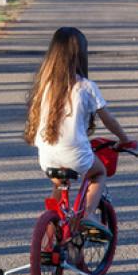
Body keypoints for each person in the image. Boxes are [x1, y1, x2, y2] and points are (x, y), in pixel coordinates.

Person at [24, 26, 130, 233]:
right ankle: (88, 214)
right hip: (75, 154)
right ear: (80, 55)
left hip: (47, 156)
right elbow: (109, 120)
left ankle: (48, 239)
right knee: (98, 173)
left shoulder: (44, 86)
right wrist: (124, 138)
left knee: (59, 187)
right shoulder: (86, 87)